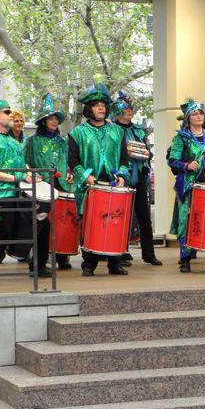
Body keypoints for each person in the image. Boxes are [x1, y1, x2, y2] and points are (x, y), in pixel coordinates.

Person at [68, 83, 130, 277]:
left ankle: (115, 263)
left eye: (103, 104)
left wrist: (122, 175)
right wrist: (85, 176)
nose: (101, 108)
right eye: (96, 105)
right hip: (90, 186)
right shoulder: (77, 133)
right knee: (91, 225)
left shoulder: (117, 131)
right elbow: (72, 160)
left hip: (112, 184)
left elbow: (124, 158)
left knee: (114, 223)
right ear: (89, 109)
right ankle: (89, 264)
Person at [167, 99, 205, 273]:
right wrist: (186, 165)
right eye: (195, 113)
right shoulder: (181, 138)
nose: (199, 116)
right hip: (189, 186)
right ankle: (186, 259)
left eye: (201, 113)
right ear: (188, 118)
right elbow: (172, 160)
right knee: (187, 222)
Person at [0, 99, 36, 279]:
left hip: (18, 193)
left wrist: (30, 174)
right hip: (0, 194)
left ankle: (34, 263)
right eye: (6, 111)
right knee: (2, 231)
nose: (10, 114)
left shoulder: (14, 141)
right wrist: (16, 177)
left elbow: (23, 164)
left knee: (37, 224)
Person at [24, 93, 74, 272]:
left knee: (62, 222)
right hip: (42, 187)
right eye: (50, 119)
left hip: (62, 186)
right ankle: (37, 263)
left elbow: (70, 162)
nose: (53, 122)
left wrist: (70, 174)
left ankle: (63, 257)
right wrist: (32, 176)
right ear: (43, 122)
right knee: (42, 225)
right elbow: (26, 162)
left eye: (55, 119)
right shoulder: (32, 141)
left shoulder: (64, 141)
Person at [111, 91, 162, 267]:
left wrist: (146, 153)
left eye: (130, 108)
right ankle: (120, 253)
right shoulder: (112, 131)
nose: (129, 111)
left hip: (139, 177)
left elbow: (147, 151)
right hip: (120, 179)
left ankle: (149, 254)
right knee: (120, 217)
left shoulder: (138, 130)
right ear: (118, 111)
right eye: (125, 109)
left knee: (144, 217)